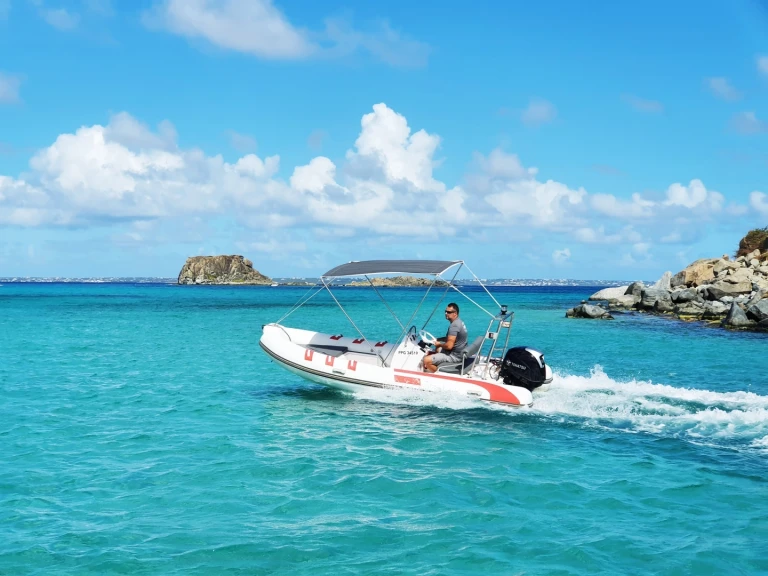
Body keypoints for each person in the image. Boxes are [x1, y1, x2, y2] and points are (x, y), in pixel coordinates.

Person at [422, 302, 468, 373]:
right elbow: (451, 338)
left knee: (426, 360)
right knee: (438, 348)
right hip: (460, 353)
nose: (446, 313)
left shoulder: (454, 326)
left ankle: (438, 374)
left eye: (449, 312)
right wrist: (438, 339)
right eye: (445, 311)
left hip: (454, 356)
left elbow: (449, 346)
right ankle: (437, 363)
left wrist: (439, 344)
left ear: (455, 313)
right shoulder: (459, 322)